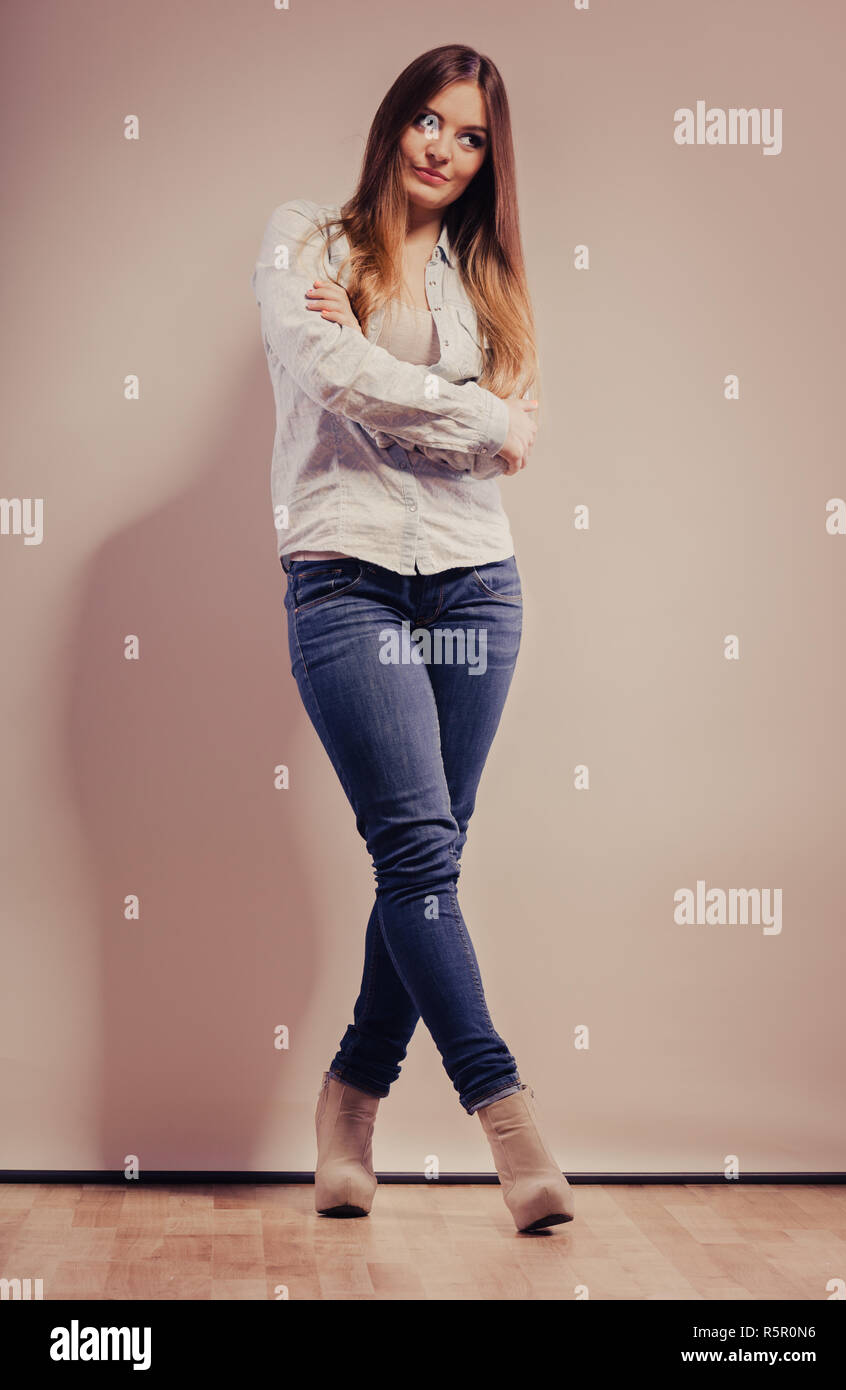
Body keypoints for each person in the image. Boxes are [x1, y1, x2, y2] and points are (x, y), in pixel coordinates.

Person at [251, 43, 573, 1233]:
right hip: (343, 578)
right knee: (419, 855)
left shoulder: (489, 283)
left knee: (425, 855)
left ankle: (349, 1098)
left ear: (490, 158)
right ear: (394, 123)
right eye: (428, 122)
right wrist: (473, 413)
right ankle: (509, 1117)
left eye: (470, 135)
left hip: (475, 587)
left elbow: (471, 431)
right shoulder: (307, 240)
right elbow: (326, 372)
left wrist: (406, 389)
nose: (443, 147)